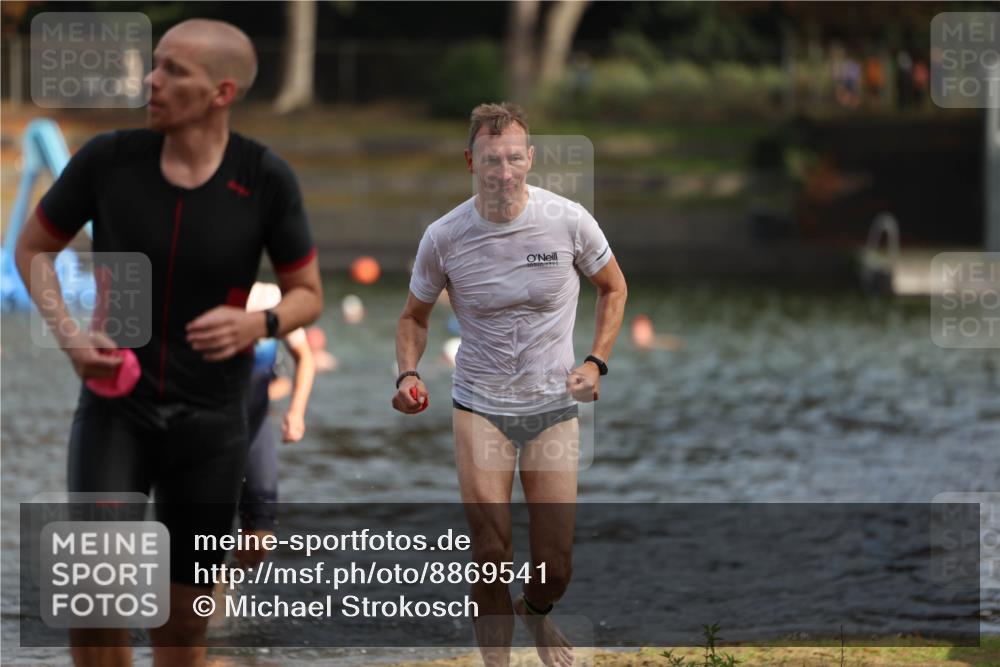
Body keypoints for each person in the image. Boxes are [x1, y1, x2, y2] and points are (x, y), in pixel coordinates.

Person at [14, 19, 322, 667]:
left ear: (221, 92)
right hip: (113, 407)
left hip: (212, 421)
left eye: (173, 70)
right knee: (95, 607)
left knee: (182, 627)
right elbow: (35, 247)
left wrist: (258, 325)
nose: (150, 80)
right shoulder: (108, 159)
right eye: (154, 65)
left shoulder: (264, 178)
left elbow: (307, 294)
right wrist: (70, 337)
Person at [392, 103, 627, 667]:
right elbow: (413, 318)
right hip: (479, 405)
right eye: (491, 159)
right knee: (491, 549)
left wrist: (595, 362)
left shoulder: (567, 220)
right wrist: (407, 374)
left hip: (551, 407)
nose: (503, 170)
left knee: (555, 567)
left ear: (531, 159)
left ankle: (537, 614)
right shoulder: (445, 236)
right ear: (472, 161)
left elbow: (613, 289)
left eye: (514, 157)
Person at [233, 282, 316, 568]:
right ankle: (195, 598)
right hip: (208, 434)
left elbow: (304, 356)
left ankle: (223, 588)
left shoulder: (271, 298)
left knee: (260, 539)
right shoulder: (201, 294)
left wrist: (296, 411)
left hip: (256, 429)